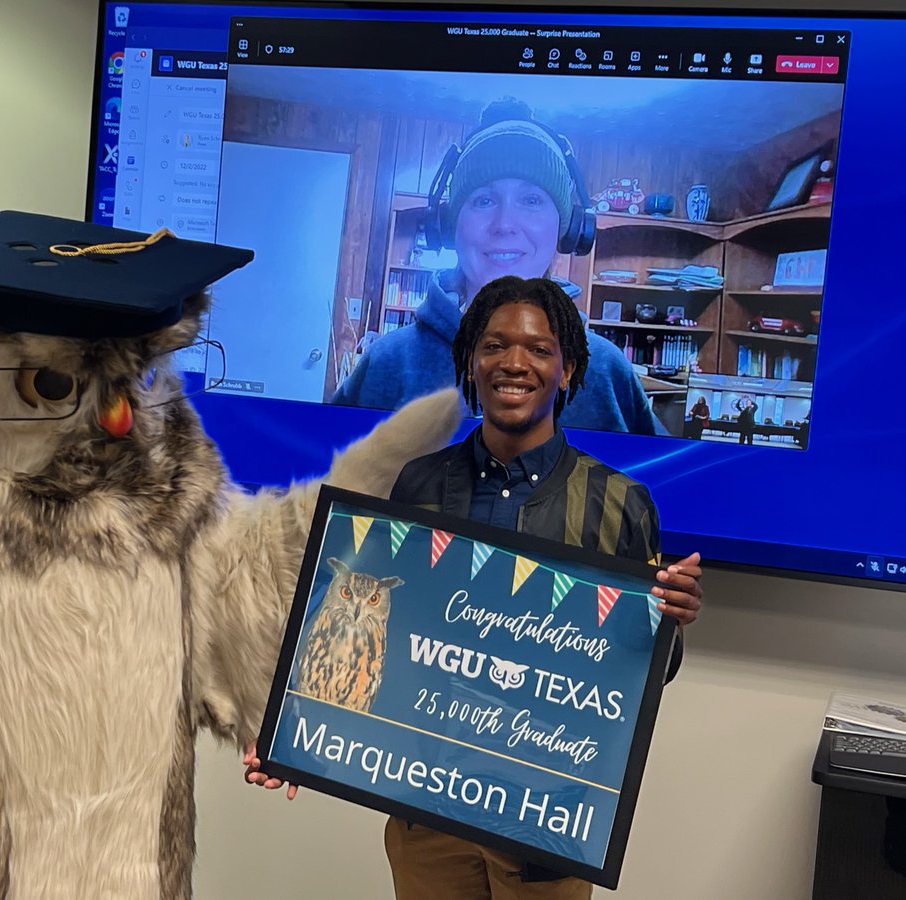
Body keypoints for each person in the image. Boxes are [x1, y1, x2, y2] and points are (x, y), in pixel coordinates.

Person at [246, 275, 704, 900]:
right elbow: (367, 630)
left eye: (539, 350)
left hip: (548, 822)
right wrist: (292, 736)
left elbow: (643, 672)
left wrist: (669, 619)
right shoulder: (418, 485)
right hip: (426, 807)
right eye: (494, 345)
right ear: (469, 361)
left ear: (568, 370)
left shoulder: (621, 505)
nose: (515, 363)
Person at [331, 98, 662, 436]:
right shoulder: (387, 364)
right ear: (449, 226)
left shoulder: (607, 372)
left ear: (567, 228)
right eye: (484, 201)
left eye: (531, 200)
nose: (505, 224)